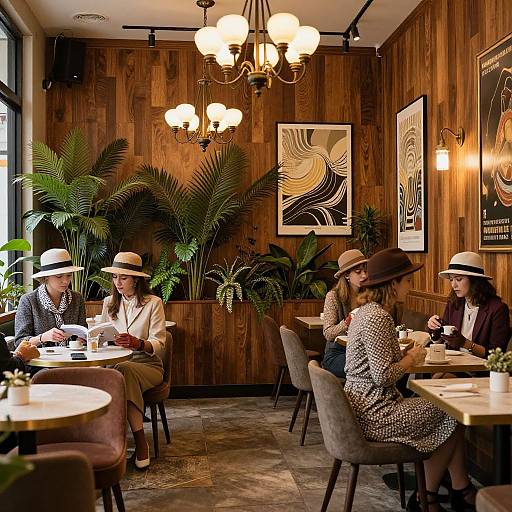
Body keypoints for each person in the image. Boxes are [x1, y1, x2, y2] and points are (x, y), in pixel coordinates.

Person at [344, 248, 475, 511]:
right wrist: (411, 359)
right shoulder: (378, 318)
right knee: (452, 411)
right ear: (393, 284)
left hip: (361, 409)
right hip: (376, 413)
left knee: (450, 409)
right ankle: (427, 496)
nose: (410, 286)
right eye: (407, 280)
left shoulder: (366, 313)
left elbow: (375, 364)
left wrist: (401, 353)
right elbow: (382, 376)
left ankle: (453, 490)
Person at [100, 252, 166, 470]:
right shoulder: (108, 302)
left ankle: (139, 442)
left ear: (136, 279)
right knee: (117, 371)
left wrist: (138, 343)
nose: (117, 283)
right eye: (115, 277)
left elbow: (159, 344)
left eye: (123, 278)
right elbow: (101, 336)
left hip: (148, 365)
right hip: (116, 363)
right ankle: (104, 442)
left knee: (123, 372)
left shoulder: (153, 303)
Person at [427, 251, 510, 358]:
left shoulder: (497, 309)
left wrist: (465, 343)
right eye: (451, 280)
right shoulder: (453, 303)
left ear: (475, 280)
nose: (453, 285)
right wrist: (434, 331)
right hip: (453, 361)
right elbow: (444, 342)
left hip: (478, 369)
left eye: (459, 279)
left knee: (440, 375)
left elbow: (496, 355)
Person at [15, 249, 86, 348]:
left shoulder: (77, 298)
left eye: (69, 275)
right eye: (59, 276)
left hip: (72, 359)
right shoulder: (28, 301)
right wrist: (43, 337)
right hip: (40, 361)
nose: (65, 281)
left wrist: (81, 340)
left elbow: (83, 331)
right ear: (46, 276)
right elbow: (19, 342)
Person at [322, 249, 367, 378]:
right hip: (338, 353)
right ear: (347, 275)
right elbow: (328, 333)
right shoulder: (333, 297)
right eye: (358, 272)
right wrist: (347, 322)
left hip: (364, 352)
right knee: (371, 368)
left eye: (365, 271)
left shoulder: (370, 295)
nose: (364, 275)